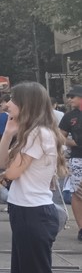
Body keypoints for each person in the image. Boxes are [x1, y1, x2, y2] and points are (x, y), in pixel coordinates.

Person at [0, 82, 65, 273]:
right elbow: (1, 164)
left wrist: (0, 179)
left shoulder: (39, 134)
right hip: (24, 211)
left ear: (27, 104)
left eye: (13, 100)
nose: (8, 105)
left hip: (35, 213)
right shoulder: (29, 133)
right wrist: (9, 131)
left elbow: (11, 171)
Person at [58, 85, 82, 242]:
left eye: (72, 96)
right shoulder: (69, 116)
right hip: (78, 158)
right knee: (78, 192)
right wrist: (72, 142)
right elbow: (59, 136)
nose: (69, 99)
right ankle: (81, 228)